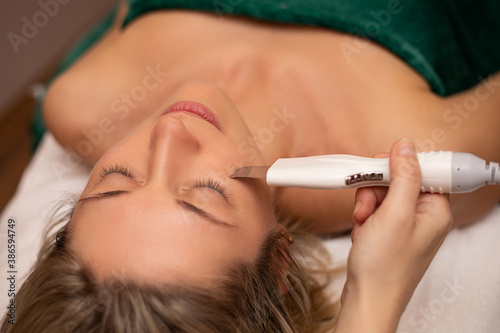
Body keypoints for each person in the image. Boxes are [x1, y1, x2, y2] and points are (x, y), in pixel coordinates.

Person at [2, 0, 498, 331]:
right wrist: (371, 301)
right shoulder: (416, 147)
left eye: (116, 180)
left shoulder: (84, 102)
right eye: (205, 194)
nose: (169, 132)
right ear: (278, 259)